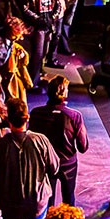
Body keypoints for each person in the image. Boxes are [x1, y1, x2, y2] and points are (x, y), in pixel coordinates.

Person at [29, 75, 88, 207]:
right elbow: (83, 147)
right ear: (65, 93)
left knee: (47, 199)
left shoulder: (35, 113)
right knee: (68, 198)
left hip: (45, 163)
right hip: (68, 164)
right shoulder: (74, 116)